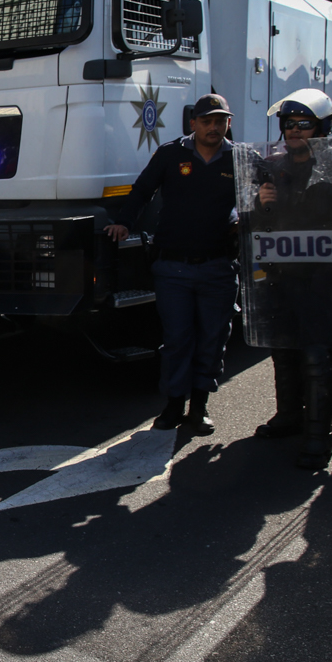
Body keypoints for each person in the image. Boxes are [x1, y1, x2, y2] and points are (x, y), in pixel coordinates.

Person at [104, 94, 239, 436]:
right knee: (178, 340)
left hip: (218, 267)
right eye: (206, 121)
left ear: (228, 123)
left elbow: (260, 200)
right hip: (173, 269)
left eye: (220, 121)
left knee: (212, 339)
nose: (213, 127)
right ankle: (173, 406)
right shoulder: (170, 154)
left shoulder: (240, 159)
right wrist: (124, 223)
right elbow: (141, 191)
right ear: (192, 123)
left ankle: (199, 409)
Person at [248, 89, 332, 469]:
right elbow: (258, 230)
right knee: (284, 349)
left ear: (322, 127)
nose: (294, 131)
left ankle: (319, 434)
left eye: (304, 124)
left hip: (325, 275)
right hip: (283, 274)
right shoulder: (273, 167)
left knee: (318, 354)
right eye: (288, 124)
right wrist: (261, 205)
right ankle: (289, 416)